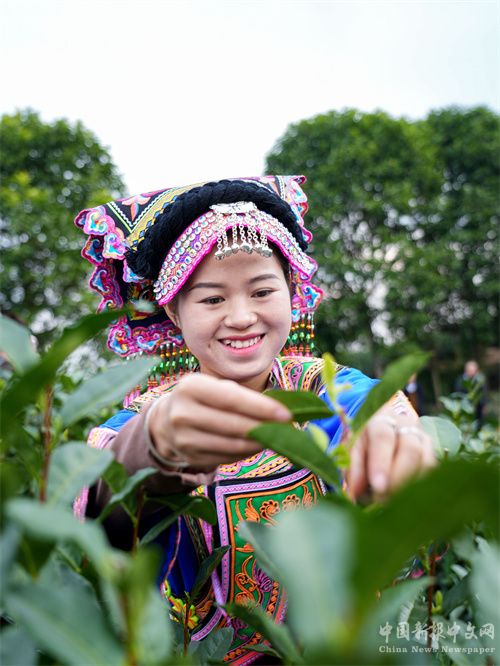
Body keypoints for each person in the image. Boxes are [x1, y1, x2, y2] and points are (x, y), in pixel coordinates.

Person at [74, 176, 435, 664]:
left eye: (262, 291)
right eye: (212, 299)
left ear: (293, 291)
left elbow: (372, 409)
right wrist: (149, 452)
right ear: (174, 312)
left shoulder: (321, 386)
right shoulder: (149, 417)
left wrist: (396, 435)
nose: (242, 317)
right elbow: (96, 500)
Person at [455, 359, 488, 425]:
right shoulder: (461, 380)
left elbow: (484, 392)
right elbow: (458, 393)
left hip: (478, 407)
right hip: (466, 406)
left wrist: (484, 405)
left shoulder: (480, 379)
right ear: (466, 370)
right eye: (470, 371)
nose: (472, 373)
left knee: (479, 423)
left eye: (474, 371)